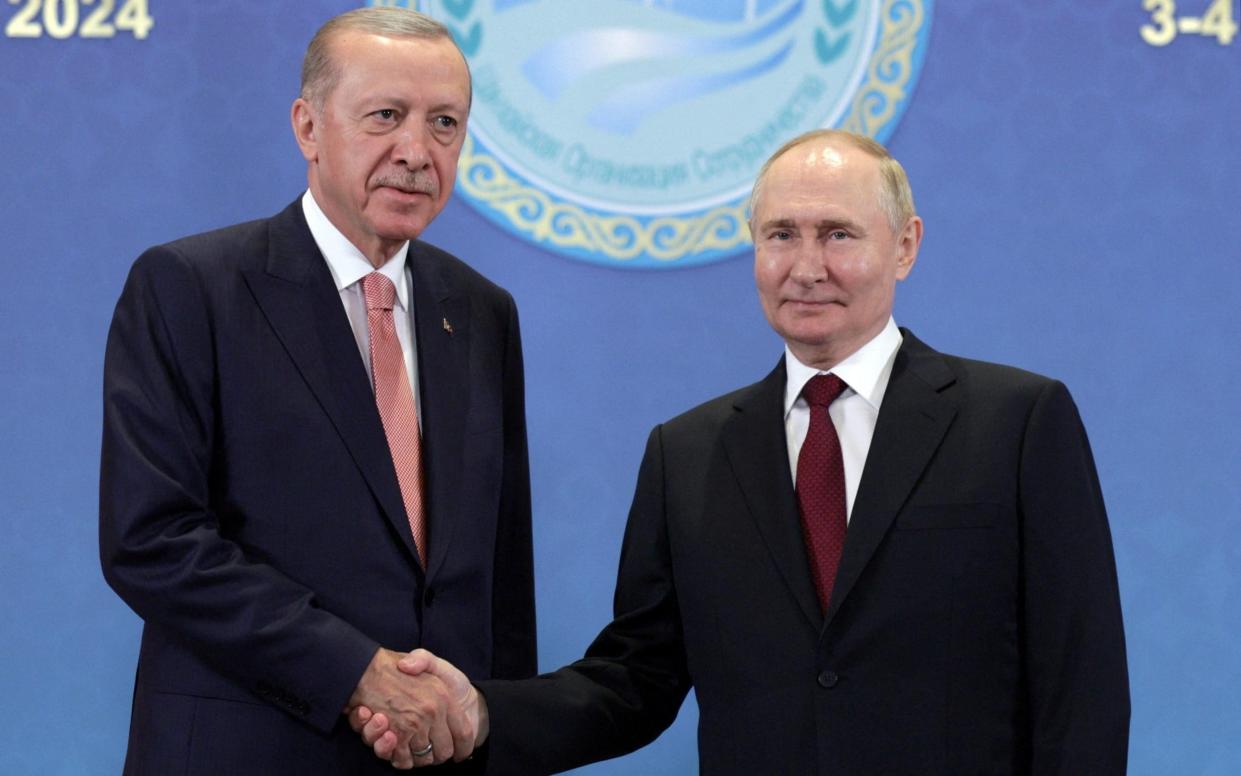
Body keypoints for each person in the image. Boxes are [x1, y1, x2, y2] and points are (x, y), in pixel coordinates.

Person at [360, 129, 1131, 774]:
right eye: (780, 236)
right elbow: (635, 679)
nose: (806, 267)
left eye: (837, 235)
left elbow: (1080, 684)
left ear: (904, 246)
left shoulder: (1017, 422)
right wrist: (482, 711)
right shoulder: (687, 453)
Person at [99, 8, 535, 774]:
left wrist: (499, 732)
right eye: (385, 117)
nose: (416, 152)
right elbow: (152, 540)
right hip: (249, 750)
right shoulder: (190, 287)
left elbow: (500, 577)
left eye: (444, 123)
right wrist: (356, 672)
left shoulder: (481, 311)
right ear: (308, 127)